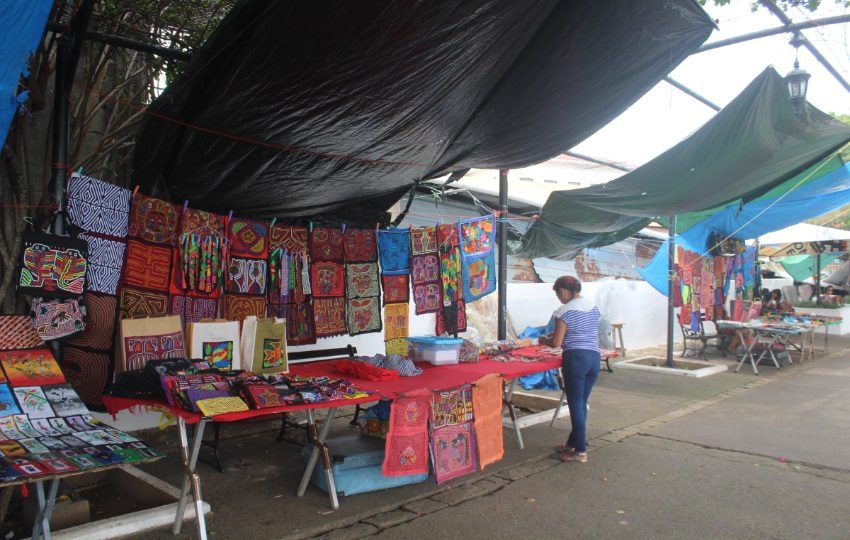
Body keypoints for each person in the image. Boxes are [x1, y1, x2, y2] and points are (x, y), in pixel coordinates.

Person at [538, 276, 600, 463]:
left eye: (558, 294)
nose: (559, 298)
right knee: (581, 402)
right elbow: (583, 332)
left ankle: (580, 451)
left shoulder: (564, 311)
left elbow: (556, 342)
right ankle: (572, 444)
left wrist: (544, 340)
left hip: (576, 358)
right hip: (594, 358)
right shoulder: (594, 307)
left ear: (563, 291)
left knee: (575, 404)